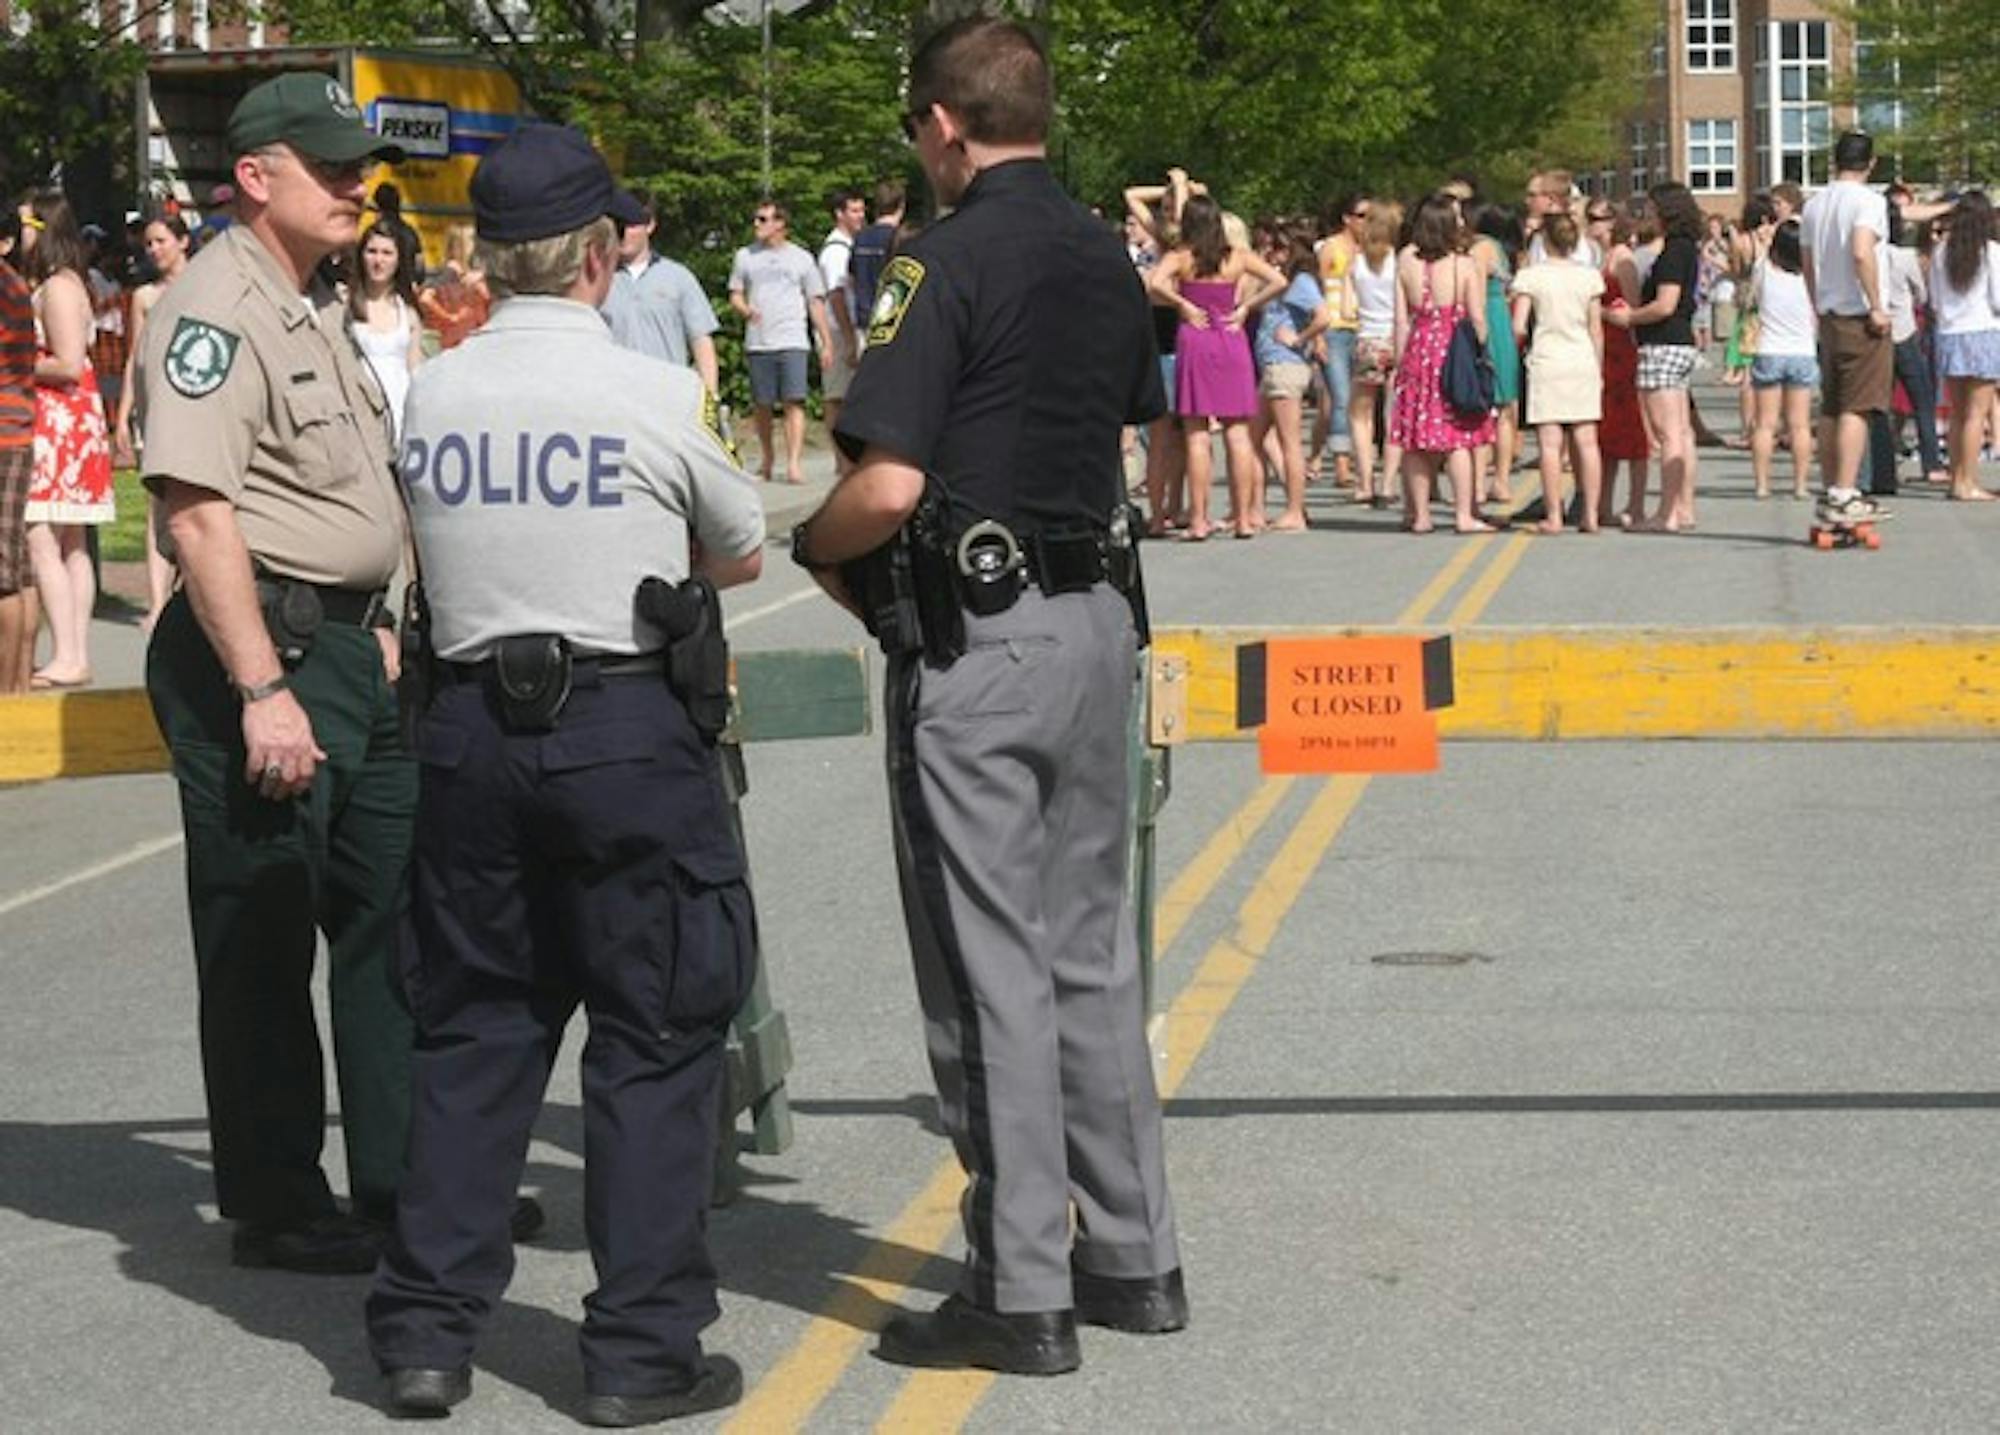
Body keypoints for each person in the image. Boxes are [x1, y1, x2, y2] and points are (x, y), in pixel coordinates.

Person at [790, 13, 1184, 1377]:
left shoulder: (933, 262)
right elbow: (1133, 410)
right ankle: (1133, 1251)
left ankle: (1020, 1283)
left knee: (988, 967)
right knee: (1093, 949)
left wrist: (809, 543)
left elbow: (888, 483)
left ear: (941, 126)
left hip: (981, 639)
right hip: (1093, 622)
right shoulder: (1101, 251)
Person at [364, 121, 764, 1423]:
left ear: (491, 257)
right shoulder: (650, 394)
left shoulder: (435, 390)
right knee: (649, 1041)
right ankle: (642, 1350)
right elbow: (742, 545)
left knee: (474, 1029)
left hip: (470, 731)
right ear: (600, 256)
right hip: (627, 725)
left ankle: (426, 1330)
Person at [138, 71, 418, 1276]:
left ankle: (406, 1182)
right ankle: (277, 1198)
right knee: (263, 938)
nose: (357, 184)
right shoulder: (212, 308)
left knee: (388, 925)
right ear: (255, 177)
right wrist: (261, 688)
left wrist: (387, 615)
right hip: (269, 658)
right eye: (328, 164)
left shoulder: (304, 300)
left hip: (350, 648)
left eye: (358, 163)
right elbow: (198, 515)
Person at [20, 189, 115, 689]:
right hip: (76, 421)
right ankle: (73, 652)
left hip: (60, 423)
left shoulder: (57, 287)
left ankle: (67, 652)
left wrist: (17, 365)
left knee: (43, 539)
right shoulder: (70, 283)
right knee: (72, 542)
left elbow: (68, 361)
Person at [1149, 193, 1285, 539]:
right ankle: (1242, 519)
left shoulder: (1182, 258)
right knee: (1238, 433)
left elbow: (1153, 282)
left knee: (1197, 435)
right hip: (1230, 337)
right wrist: (1246, 307)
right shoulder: (1237, 257)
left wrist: (1182, 303)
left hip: (1196, 339)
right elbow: (1278, 280)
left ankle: (1198, 519)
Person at [1799, 131, 1893, 525]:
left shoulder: (1815, 204)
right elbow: (1861, 250)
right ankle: (1844, 490)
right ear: (1869, 164)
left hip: (1829, 313)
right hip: (1859, 313)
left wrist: (1817, 301)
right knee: (1859, 404)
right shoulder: (1869, 201)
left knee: (1833, 404)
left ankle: (1830, 485)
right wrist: (1876, 305)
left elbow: (1806, 260)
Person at [1391, 192, 1495, 534]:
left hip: (1418, 349)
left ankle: (1420, 514)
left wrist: (1401, 359)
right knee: (1458, 436)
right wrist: (1483, 351)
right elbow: (1478, 317)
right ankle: (1464, 514)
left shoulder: (1406, 260)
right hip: (1454, 350)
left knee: (1417, 437)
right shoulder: (1462, 264)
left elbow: (1400, 318)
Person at [1605, 181, 1703, 532]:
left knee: (1667, 435)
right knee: (1681, 431)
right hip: (1678, 343)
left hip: (1662, 343)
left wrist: (1628, 317)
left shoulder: (1674, 252)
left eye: (1651, 208)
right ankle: (1683, 507)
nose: (1648, 215)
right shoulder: (1685, 247)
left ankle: (1667, 513)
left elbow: (1665, 304)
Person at [113, 213, 195, 628]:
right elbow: (134, 358)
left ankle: (195, 595)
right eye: (148, 244)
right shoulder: (144, 296)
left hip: (198, 409)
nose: (154, 250)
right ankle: (158, 601)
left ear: (183, 242)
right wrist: (124, 415)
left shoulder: (204, 286)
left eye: (161, 241)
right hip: (156, 408)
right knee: (157, 507)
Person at [1509, 212, 1604, 533]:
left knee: (1550, 444)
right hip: (1582, 359)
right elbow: (1596, 328)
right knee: (1587, 441)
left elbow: (1518, 325)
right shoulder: (1589, 276)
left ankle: (1554, 515)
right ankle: (1591, 512)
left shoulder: (1531, 276)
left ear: (1544, 240)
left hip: (1548, 360)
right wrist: (1599, 367)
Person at [727, 200, 831, 484]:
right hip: (759, 341)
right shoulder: (744, 256)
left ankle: (795, 463)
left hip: (793, 338)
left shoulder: (801, 258)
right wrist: (745, 309)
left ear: (780, 224)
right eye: (756, 218)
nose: (757, 224)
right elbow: (735, 293)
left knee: (793, 402)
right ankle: (768, 458)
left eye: (763, 219)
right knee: (762, 404)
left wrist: (826, 340)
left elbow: (815, 301)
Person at [600, 187, 721, 393]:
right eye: (617, 224)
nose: (623, 233)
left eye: (630, 224)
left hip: (668, 398)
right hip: (614, 398)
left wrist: (710, 399)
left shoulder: (678, 277)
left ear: (650, 225)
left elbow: (701, 342)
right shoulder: (596, 279)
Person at [1250, 229, 1330, 531]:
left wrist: (1299, 340)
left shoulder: (1302, 282)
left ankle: (1295, 509)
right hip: (1271, 365)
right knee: (1253, 438)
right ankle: (1255, 508)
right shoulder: (1282, 282)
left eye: (1279, 249)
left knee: (1289, 441)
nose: (1273, 254)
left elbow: (1323, 316)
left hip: (1285, 365)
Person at [1930, 190, 2000, 501]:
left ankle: (1956, 477)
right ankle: (1967, 482)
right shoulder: (1992, 253)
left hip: (1949, 334)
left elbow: (1934, 300)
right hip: (1982, 332)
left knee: (1957, 414)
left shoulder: (1940, 251)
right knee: (1977, 414)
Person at [1744, 220, 1817, 501]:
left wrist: (1764, 231)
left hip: (1769, 349)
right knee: (1800, 425)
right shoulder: (1811, 275)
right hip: (1802, 351)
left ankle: (1762, 484)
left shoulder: (1763, 269)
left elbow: (1758, 243)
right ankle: (1800, 485)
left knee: (1765, 424)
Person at [1588, 201, 1649, 529]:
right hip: (1604, 350)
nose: (1590, 225)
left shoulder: (1622, 259)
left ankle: (1636, 504)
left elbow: (1632, 309)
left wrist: (1600, 313)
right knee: (1607, 434)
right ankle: (1603, 504)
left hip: (1620, 350)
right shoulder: (1604, 258)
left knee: (1632, 433)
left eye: (1595, 219)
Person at [1312, 191, 1369, 486]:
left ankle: (1322, 454)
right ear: (1347, 218)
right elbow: (1317, 290)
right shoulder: (1330, 247)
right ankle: (1342, 464)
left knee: (1357, 400)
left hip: (1362, 328)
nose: (1366, 222)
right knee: (1341, 397)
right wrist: (1317, 336)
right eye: (1361, 216)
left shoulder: (1371, 250)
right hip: (1333, 327)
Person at [349, 220, 424, 444]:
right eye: (372, 251)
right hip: (356, 413)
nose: (378, 260)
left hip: (399, 414)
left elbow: (416, 371)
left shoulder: (409, 313)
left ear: (398, 260)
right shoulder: (343, 305)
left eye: (387, 253)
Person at [1468, 203, 1523, 505]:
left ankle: (1477, 483)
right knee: (1503, 408)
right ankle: (1500, 480)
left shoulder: (1481, 249)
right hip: (1501, 319)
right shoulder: (1503, 251)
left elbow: (1474, 292)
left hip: (1487, 320)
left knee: (1480, 409)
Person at [0, 210, 34, 694]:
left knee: (2, 574)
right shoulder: (15, 284)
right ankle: (18, 688)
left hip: (3, 435)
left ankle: (7, 696)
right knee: (18, 567)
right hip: (15, 431)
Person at [1348, 200, 1401, 508]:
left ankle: (1364, 481)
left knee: (1360, 415)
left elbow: (1346, 306)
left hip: (1367, 338)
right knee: (1393, 414)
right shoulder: (1399, 261)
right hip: (1395, 338)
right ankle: (1388, 482)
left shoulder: (1357, 263)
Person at [818, 188, 867, 473]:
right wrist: (848, 340)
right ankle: (841, 461)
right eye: (854, 211)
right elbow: (836, 297)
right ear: (839, 214)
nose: (860, 216)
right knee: (837, 397)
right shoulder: (835, 251)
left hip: (849, 328)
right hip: (838, 330)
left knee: (850, 396)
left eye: (862, 210)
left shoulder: (852, 244)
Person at [417, 223, 490, 350]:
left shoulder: (467, 273)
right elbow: (425, 298)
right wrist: (450, 318)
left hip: (462, 337)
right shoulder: (453, 272)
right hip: (460, 338)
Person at [849, 178, 907, 331]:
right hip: (891, 320)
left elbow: (852, 279)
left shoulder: (860, 238)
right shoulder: (899, 238)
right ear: (901, 205)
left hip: (864, 319)